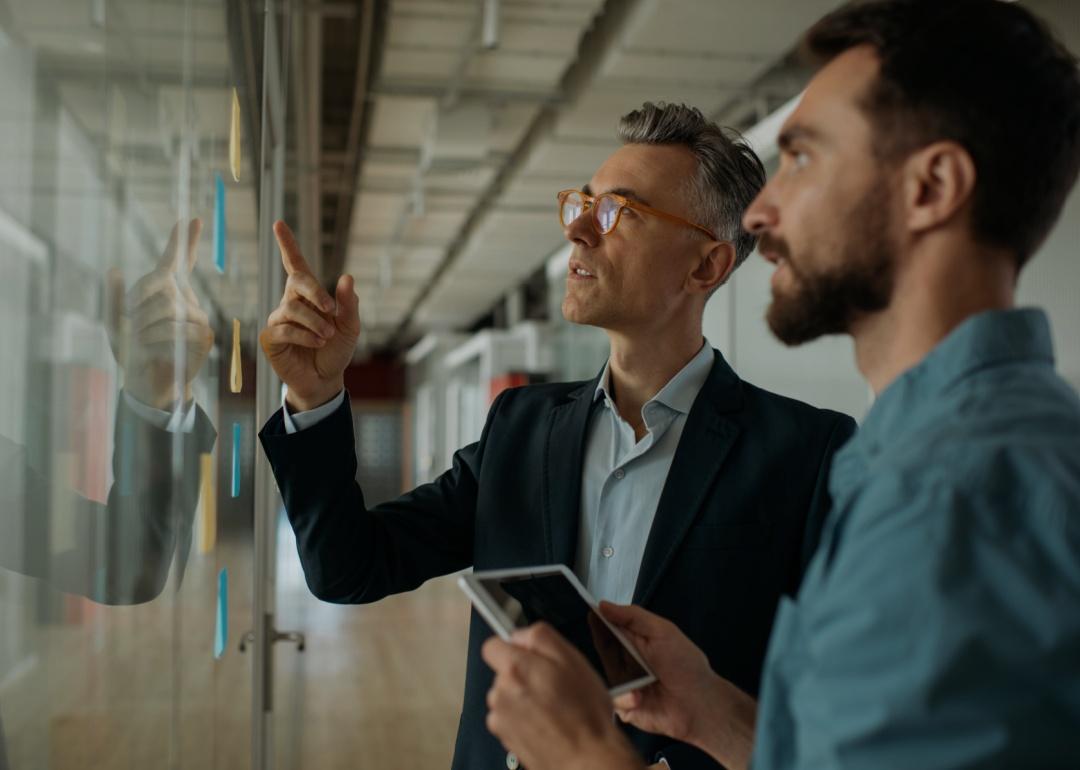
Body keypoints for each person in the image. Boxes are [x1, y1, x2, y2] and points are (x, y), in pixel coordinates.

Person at [481, 1, 1080, 768]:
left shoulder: (959, 494)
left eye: (802, 158)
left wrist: (586, 756)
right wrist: (719, 716)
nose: (760, 214)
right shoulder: (916, 457)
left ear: (931, 187)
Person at [257, 103, 856, 769]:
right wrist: (314, 396)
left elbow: (838, 702)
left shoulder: (807, 454)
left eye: (617, 213)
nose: (576, 229)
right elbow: (349, 567)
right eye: (582, 203)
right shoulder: (522, 427)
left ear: (706, 268)